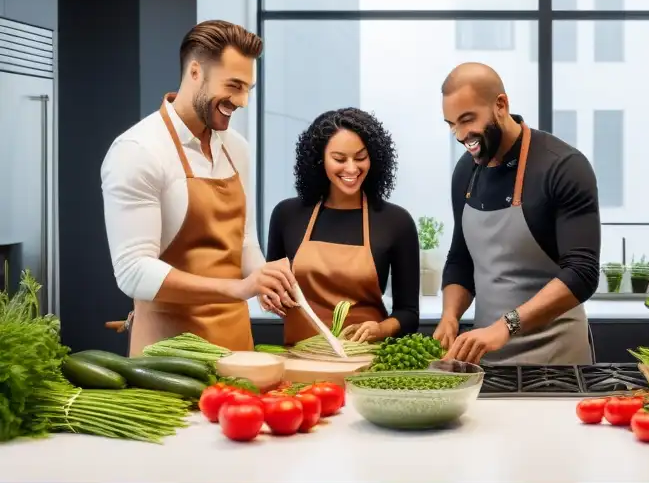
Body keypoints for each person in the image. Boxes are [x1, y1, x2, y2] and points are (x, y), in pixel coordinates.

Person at [101, 20, 296, 356]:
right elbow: (133, 272)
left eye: (248, 88)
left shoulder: (238, 148)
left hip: (237, 348)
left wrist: (263, 276)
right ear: (195, 72)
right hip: (169, 359)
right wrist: (239, 288)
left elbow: (243, 240)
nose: (243, 101)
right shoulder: (138, 150)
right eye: (234, 86)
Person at [434, 63, 600, 365]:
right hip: (484, 356)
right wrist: (450, 317)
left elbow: (582, 273)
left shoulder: (563, 166)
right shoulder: (465, 173)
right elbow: (461, 258)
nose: (460, 135)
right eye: (451, 124)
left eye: (468, 120)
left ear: (501, 104)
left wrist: (506, 325)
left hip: (557, 358)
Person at [266, 108, 419, 345]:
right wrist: (269, 295)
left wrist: (379, 329)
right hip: (299, 361)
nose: (351, 169)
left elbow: (408, 314)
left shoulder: (395, 222)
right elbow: (273, 288)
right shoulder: (287, 215)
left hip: (365, 361)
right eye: (339, 159)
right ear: (320, 159)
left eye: (360, 158)